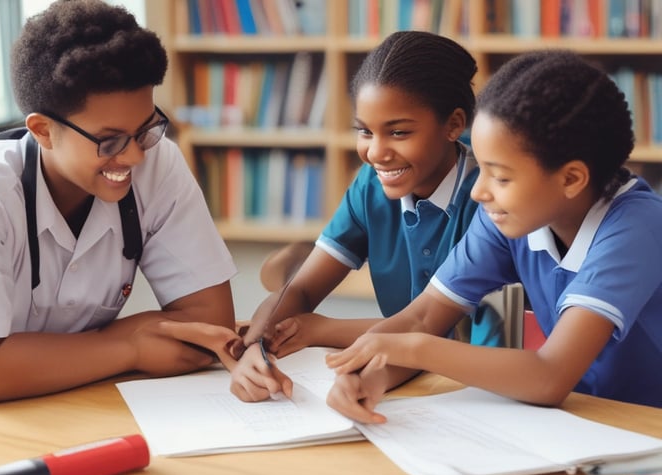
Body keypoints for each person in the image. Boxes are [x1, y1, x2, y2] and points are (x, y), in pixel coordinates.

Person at [0, 0, 238, 404]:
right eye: (110, 140)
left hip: (69, 385)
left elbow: (212, 324)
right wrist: (131, 343)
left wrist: (102, 348)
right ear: (42, 131)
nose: (134, 156)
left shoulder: (156, 161)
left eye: (146, 129)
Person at [325, 49, 662, 423]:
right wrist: (369, 376)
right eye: (481, 168)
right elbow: (422, 318)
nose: (478, 191)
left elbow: (550, 376)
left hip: (646, 427)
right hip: (583, 421)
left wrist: (414, 349)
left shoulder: (637, 228)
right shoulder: (509, 214)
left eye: (500, 176)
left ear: (571, 179)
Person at [229, 30, 505, 402]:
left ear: (454, 125)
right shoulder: (372, 186)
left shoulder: (492, 195)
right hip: (407, 379)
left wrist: (323, 329)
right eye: (364, 131)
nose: (376, 152)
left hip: (481, 390)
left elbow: (440, 329)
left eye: (399, 132)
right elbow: (302, 288)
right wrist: (255, 349)